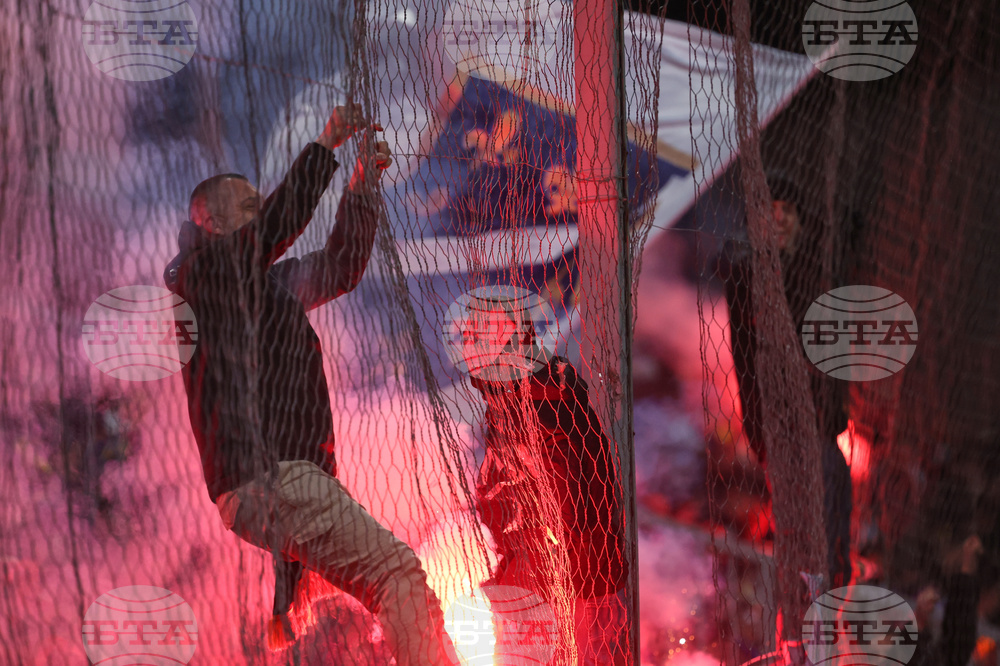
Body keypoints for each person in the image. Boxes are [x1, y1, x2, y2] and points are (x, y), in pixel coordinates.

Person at [163, 104, 457, 665]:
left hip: (279, 482)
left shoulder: (263, 286)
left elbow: (342, 267)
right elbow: (277, 224)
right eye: (249, 208)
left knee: (380, 594)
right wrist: (325, 145)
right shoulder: (204, 277)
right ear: (213, 224)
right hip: (271, 481)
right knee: (396, 573)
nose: (261, 215)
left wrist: (362, 188)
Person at [458, 292, 630, 665]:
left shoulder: (540, 406)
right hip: (563, 589)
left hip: (567, 594)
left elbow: (567, 518)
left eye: (476, 337)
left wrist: (519, 588)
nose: (467, 349)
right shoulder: (519, 397)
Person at [721, 173, 853, 589]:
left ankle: (820, 615)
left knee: (832, 525)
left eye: (787, 211)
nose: (779, 218)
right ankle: (803, 624)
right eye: (769, 210)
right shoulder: (747, 278)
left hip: (820, 428)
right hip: (781, 431)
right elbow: (745, 361)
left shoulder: (820, 273)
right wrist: (757, 430)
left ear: (799, 220)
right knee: (800, 541)